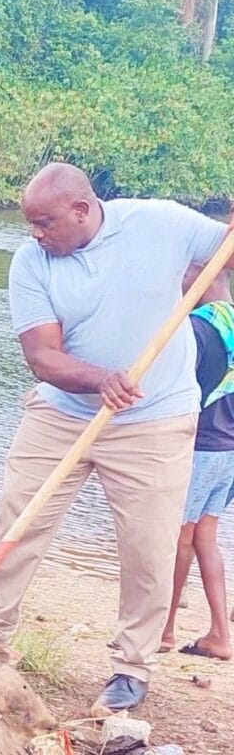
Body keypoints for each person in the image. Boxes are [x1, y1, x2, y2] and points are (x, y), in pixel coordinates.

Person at [0, 162, 227, 713]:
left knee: (148, 548)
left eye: (45, 223)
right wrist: (100, 379)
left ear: (82, 211)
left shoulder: (160, 222)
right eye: (30, 224)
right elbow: (42, 356)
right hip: (61, 413)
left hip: (155, 420)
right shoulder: (30, 263)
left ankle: (132, 667)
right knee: (19, 523)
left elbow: (224, 251)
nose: (35, 234)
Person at [160, 264, 234, 660]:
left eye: (183, 270)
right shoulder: (231, 318)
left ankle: (165, 629)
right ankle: (220, 634)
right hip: (229, 449)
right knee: (205, 537)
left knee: (179, 538)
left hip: (202, 447)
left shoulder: (198, 330)